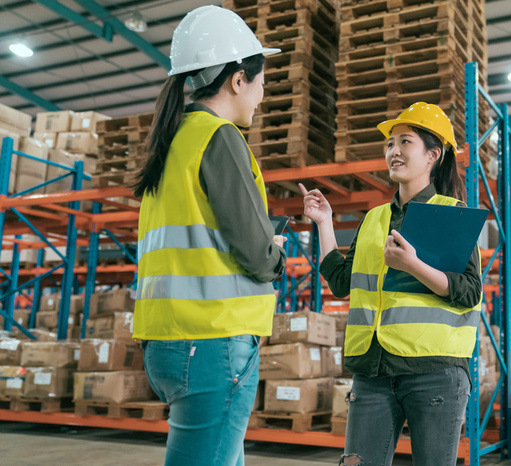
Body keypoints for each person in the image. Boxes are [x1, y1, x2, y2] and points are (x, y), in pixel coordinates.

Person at [131, 6, 286, 465]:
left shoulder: (173, 139)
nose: (262, 93)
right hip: (213, 342)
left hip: (168, 342)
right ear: (238, 79)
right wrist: (274, 254)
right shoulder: (220, 137)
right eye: (260, 81)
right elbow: (256, 253)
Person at [301, 102, 482, 466]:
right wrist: (324, 223)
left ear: (433, 155)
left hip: (434, 374)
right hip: (373, 371)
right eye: (390, 144)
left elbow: (469, 291)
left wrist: (413, 266)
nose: (394, 151)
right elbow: (340, 281)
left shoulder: (452, 212)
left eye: (405, 142)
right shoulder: (374, 219)